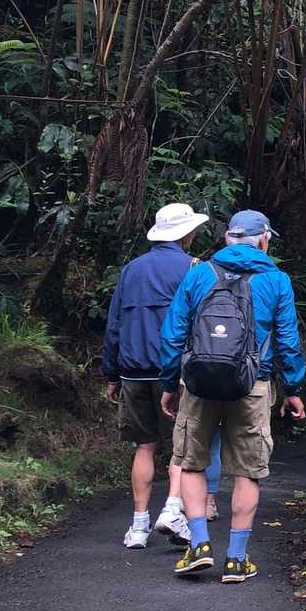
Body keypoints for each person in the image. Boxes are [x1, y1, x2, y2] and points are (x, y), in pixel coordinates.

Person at [158, 210, 306, 583]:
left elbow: (173, 333)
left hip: (199, 384)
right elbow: (288, 340)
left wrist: (168, 383)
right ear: (264, 240)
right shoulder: (276, 280)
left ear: (227, 238)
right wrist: (293, 389)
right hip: (252, 385)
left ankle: (199, 545)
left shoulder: (199, 273)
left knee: (191, 462)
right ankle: (237, 559)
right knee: (248, 471)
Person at [103, 202, 212, 549]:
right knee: (181, 447)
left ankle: (138, 526)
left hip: (133, 370)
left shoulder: (130, 270)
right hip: (175, 373)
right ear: (186, 233)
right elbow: (203, 324)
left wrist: (112, 374)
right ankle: (172, 510)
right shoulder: (195, 268)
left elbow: (114, 325)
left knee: (144, 446)